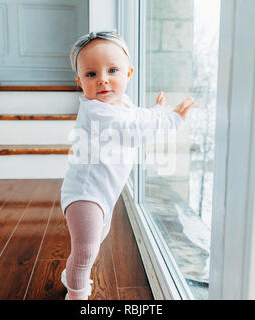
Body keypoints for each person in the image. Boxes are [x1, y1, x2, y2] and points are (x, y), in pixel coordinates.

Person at [60, 30, 196, 300]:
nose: (103, 80)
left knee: (93, 241)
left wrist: (157, 112)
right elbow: (135, 130)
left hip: (104, 193)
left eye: (112, 70)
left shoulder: (119, 102)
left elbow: (137, 117)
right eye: (91, 75)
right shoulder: (97, 111)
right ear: (79, 82)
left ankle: (71, 272)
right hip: (85, 195)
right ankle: (76, 292)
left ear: (128, 73)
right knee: (86, 251)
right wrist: (173, 120)